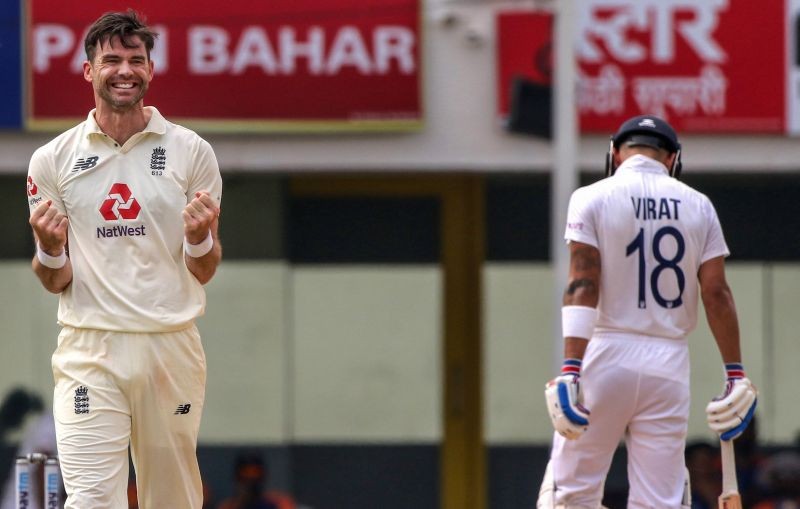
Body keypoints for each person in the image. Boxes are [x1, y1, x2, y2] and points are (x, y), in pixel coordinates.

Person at [25, 10, 222, 509]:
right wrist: (49, 250)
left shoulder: (190, 151)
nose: (125, 70)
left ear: (151, 70)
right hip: (90, 349)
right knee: (91, 499)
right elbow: (55, 278)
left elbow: (204, 267)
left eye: (136, 59)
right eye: (111, 59)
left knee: (172, 499)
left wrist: (199, 239)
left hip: (169, 346)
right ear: (90, 71)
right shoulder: (52, 160)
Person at [537, 115, 758, 508]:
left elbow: (583, 281)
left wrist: (571, 367)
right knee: (661, 500)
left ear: (615, 154)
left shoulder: (592, 196)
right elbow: (717, 293)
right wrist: (735, 374)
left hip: (605, 352)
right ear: (672, 158)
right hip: (668, 363)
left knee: (571, 494)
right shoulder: (699, 205)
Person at [216, 453, 297, 509]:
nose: (250, 481)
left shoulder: (278, 502)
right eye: (246, 476)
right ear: (238, 478)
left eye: (255, 475)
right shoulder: (229, 506)